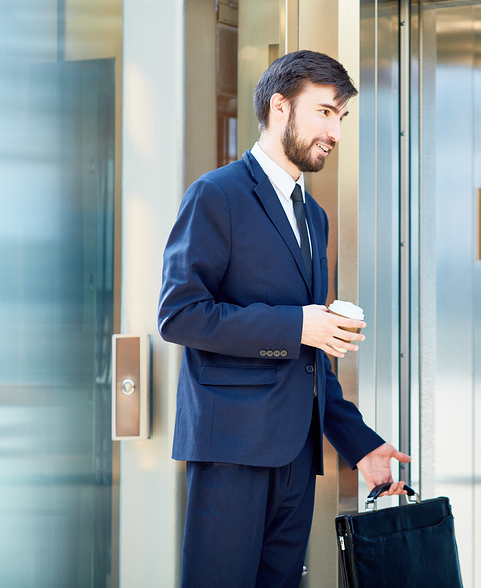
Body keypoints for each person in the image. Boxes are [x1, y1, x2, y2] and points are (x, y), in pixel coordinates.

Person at [158, 50, 409, 588]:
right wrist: (295, 325)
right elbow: (180, 315)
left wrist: (360, 444)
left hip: (297, 454)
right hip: (232, 449)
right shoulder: (216, 195)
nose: (335, 132)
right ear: (280, 107)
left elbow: (315, 354)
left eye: (341, 117)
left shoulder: (312, 215)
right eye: (324, 112)